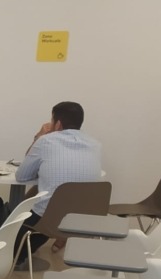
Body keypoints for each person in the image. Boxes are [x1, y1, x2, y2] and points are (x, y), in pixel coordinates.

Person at [12, 101, 102, 265]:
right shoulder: (95, 144)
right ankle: (62, 237)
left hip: (49, 219)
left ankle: (18, 254)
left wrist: (39, 136)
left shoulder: (46, 141)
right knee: (40, 193)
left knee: (32, 208)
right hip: (85, 218)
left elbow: (22, 176)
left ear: (58, 123)